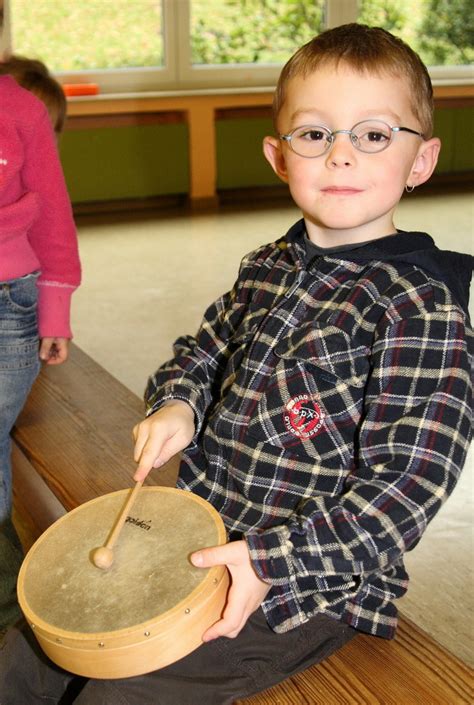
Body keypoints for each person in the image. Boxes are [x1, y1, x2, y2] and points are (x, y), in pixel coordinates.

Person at [0, 23, 472, 705]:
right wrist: (180, 403)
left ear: (422, 160)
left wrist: (267, 559)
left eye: (373, 135)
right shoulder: (268, 267)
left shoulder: (421, 309)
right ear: (280, 157)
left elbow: (406, 492)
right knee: (29, 655)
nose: (340, 155)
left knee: (119, 692)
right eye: (315, 134)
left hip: (304, 586)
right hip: (204, 531)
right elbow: (204, 350)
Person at [0, 54, 81, 634]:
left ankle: (8, 599)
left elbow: (53, 221)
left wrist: (55, 311)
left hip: (10, 301)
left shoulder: (21, 111)